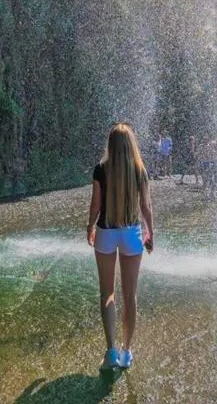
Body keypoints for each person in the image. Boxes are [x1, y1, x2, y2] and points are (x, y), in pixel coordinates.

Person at [86, 123, 154, 371]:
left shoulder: (100, 170)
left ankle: (111, 351)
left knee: (107, 294)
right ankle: (127, 353)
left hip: (106, 232)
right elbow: (146, 208)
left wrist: (89, 226)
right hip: (132, 234)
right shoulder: (139, 170)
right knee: (130, 295)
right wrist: (150, 234)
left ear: (111, 145)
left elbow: (96, 205)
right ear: (131, 145)